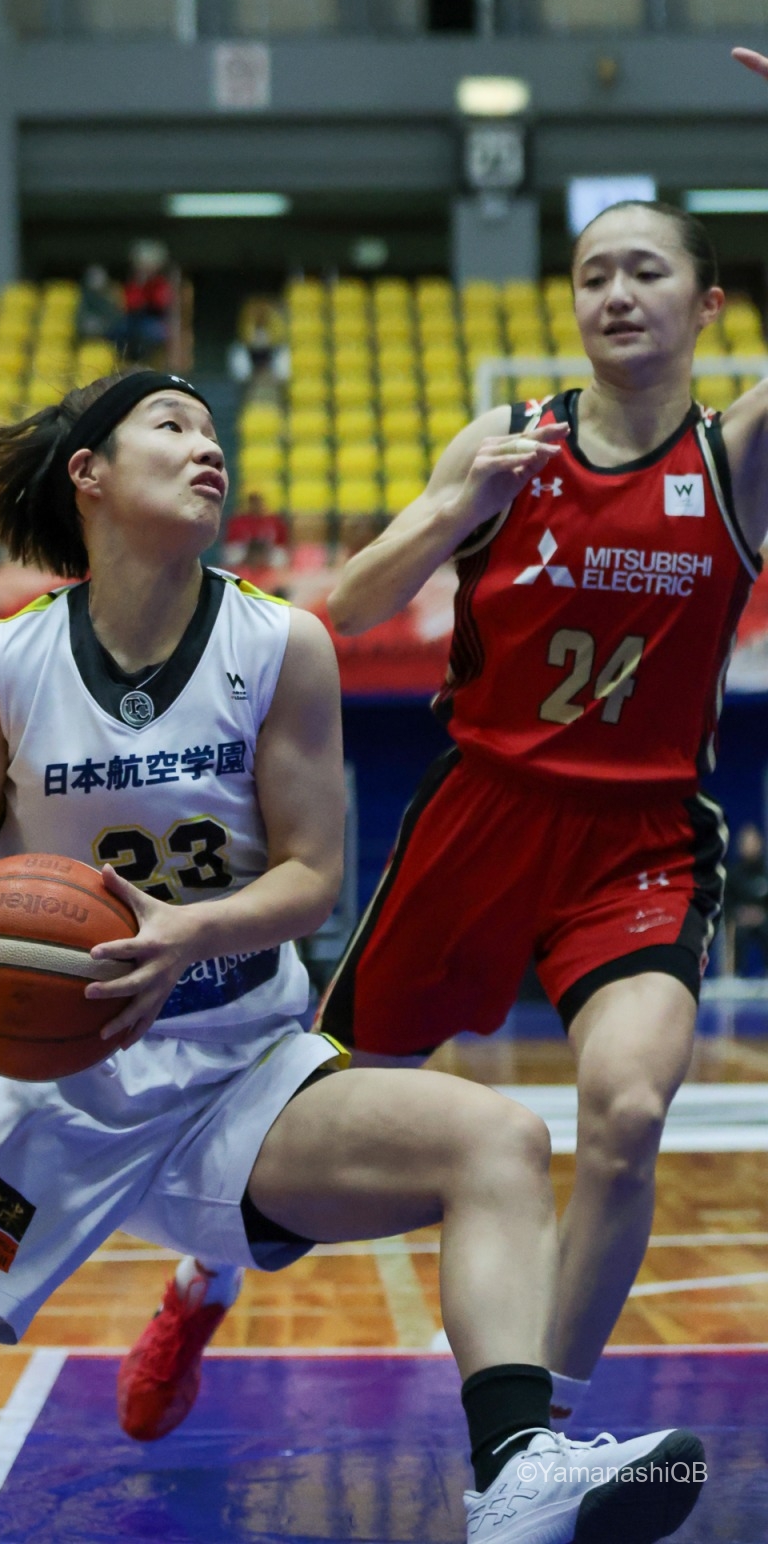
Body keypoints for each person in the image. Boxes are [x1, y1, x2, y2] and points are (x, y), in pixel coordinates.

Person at [0, 370, 704, 1544]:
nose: (208, 447)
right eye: (172, 426)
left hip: (237, 1069)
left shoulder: (283, 643)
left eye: (214, 432)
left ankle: (515, 1477)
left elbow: (311, 878)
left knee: (499, 1142)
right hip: (46, 1079)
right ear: (90, 475)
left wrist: (188, 933)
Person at [128, 190, 768, 1439]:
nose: (616, 293)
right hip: (480, 819)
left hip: (640, 843)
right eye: (593, 274)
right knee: (317, 1115)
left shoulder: (734, 459)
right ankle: (203, 1283)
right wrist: (451, 510)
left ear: (707, 306)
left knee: (630, 1113)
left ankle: (543, 1440)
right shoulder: (509, 440)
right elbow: (345, 611)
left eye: (645, 271)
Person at [724, 821, 768, 977]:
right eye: (746, 843)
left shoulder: (765, 871)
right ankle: (736, 975)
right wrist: (740, 914)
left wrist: (761, 913)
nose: (750, 846)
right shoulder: (733, 874)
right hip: (740, 922)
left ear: (760, 844)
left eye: (753, 842)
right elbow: (727, 904)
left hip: (764, 920)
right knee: (738, 933)